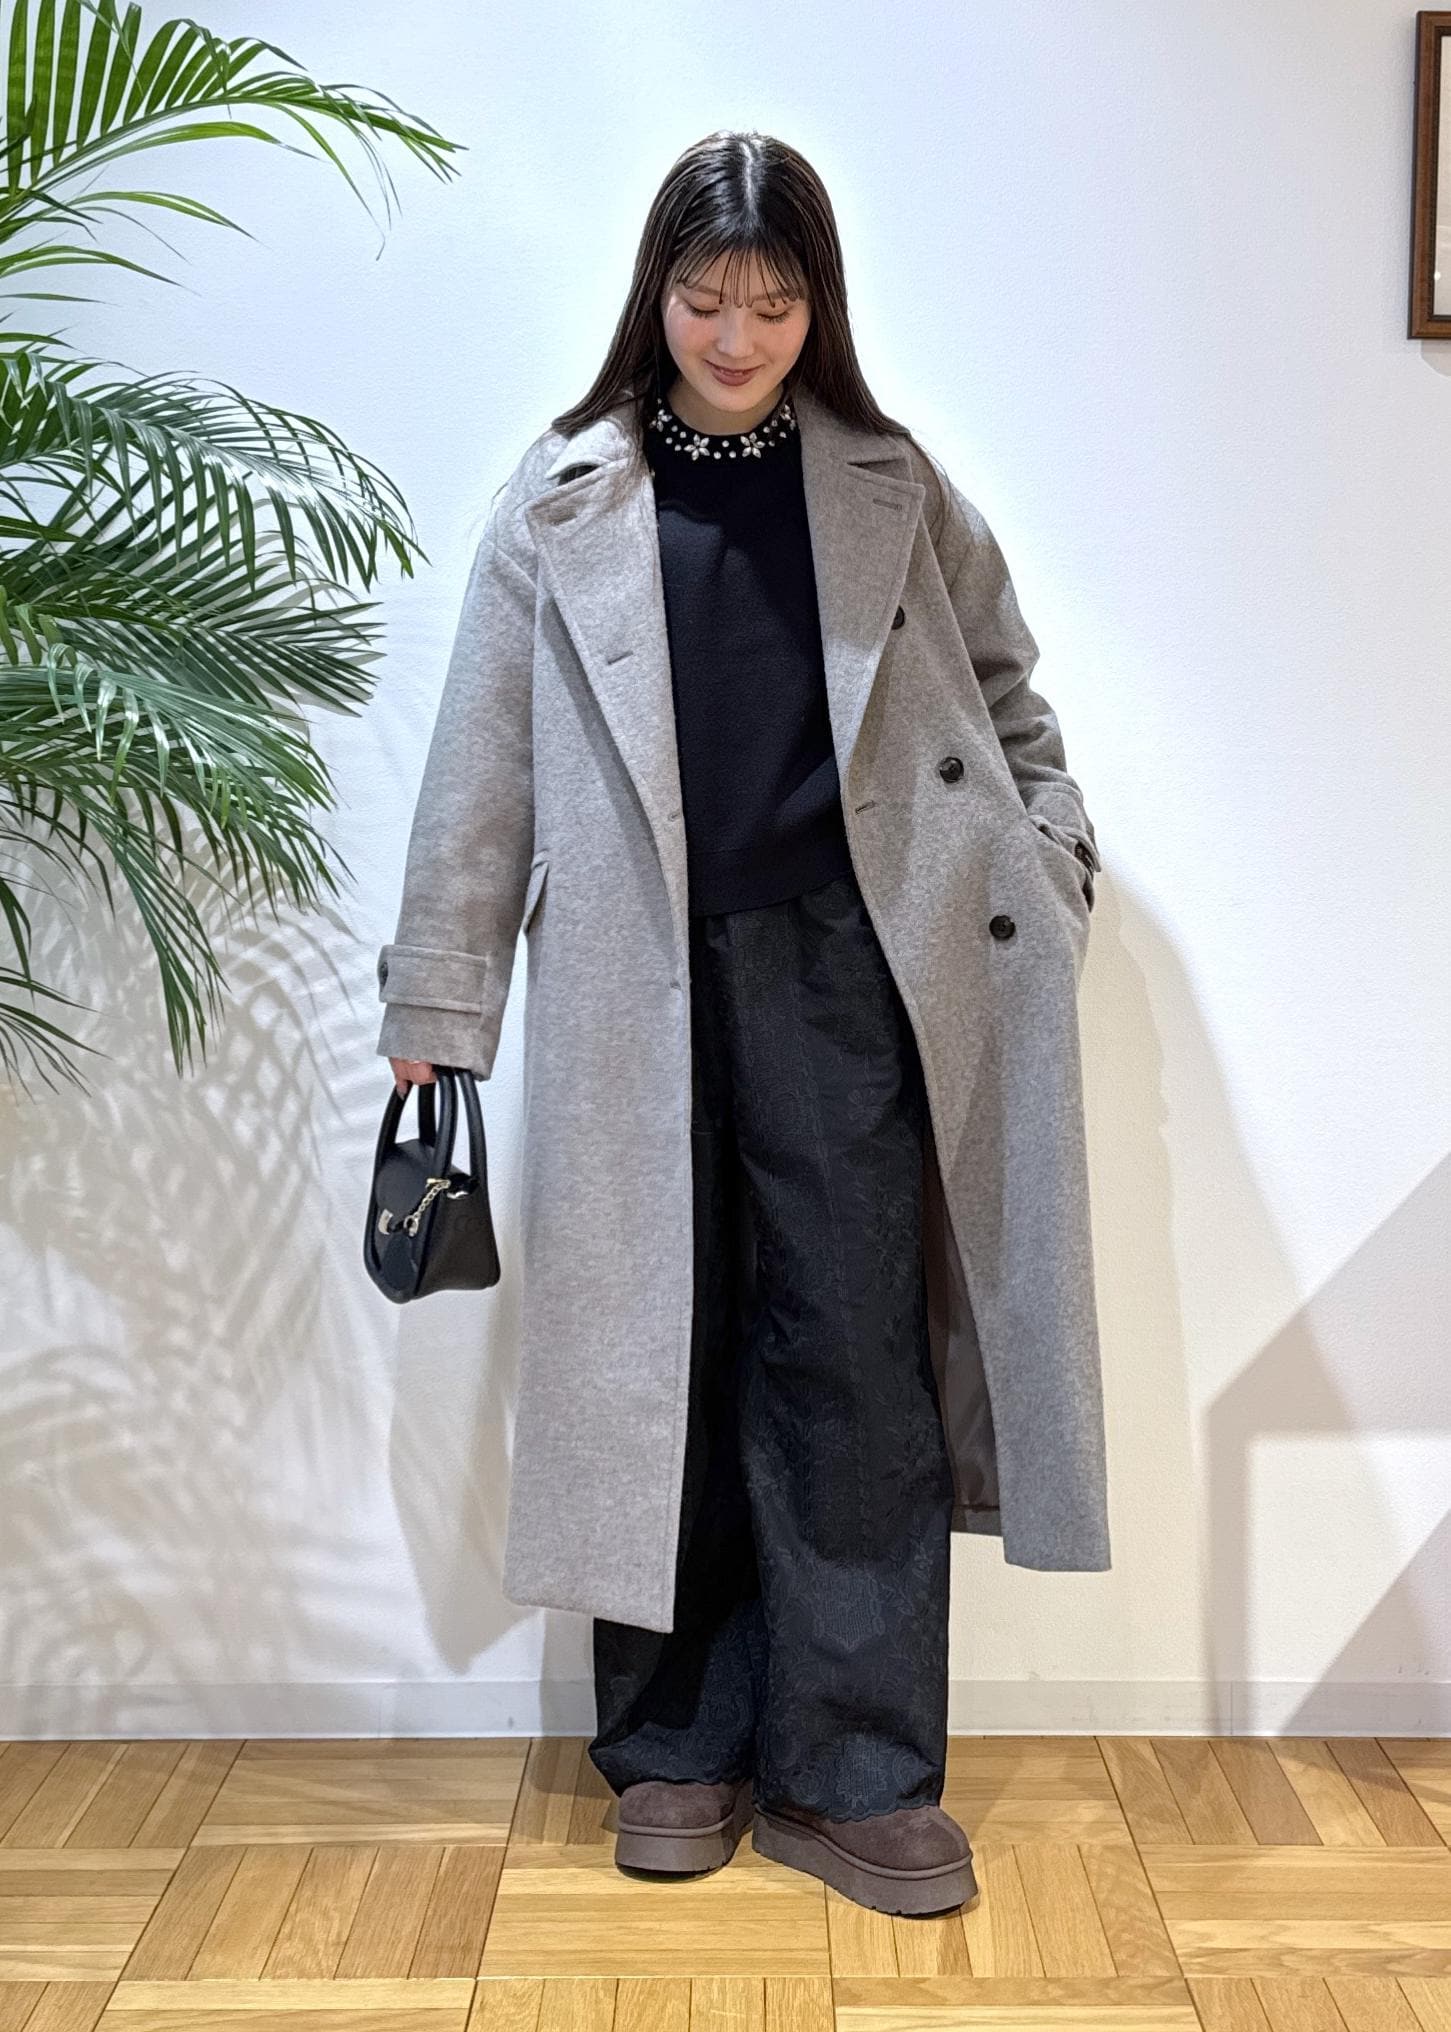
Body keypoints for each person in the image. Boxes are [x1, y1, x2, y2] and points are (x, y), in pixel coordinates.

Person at [378, 129, 1106, 1920]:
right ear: (657, 294)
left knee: (851, 1357)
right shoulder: (565, 496)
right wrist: (442, 1000)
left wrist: (1053, 863)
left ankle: (858, 1772)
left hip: (854, 965)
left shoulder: (892, 483)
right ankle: (677, 1750)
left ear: (817, 306)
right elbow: (481, 763)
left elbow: (1007, 693)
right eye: (706, 297)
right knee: (661, 1349)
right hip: (633, 976)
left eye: (772, 302)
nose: (735, 335)